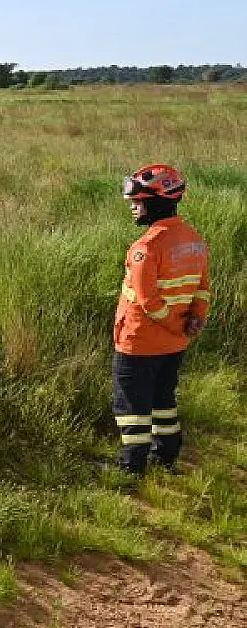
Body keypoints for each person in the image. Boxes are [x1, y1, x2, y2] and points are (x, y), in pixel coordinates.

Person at [113, 164, 210, 475]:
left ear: (155, 203)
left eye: (137, 202)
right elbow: (202, 289)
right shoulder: (195, 240)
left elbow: (148, 301)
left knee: (132, 408)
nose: (132, 207)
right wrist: (193, 321)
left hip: (139, 343)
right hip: (175, 343)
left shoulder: (145, 248)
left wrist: (173, 324)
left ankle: (132, 467)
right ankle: (166, 457)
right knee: (163, 401)